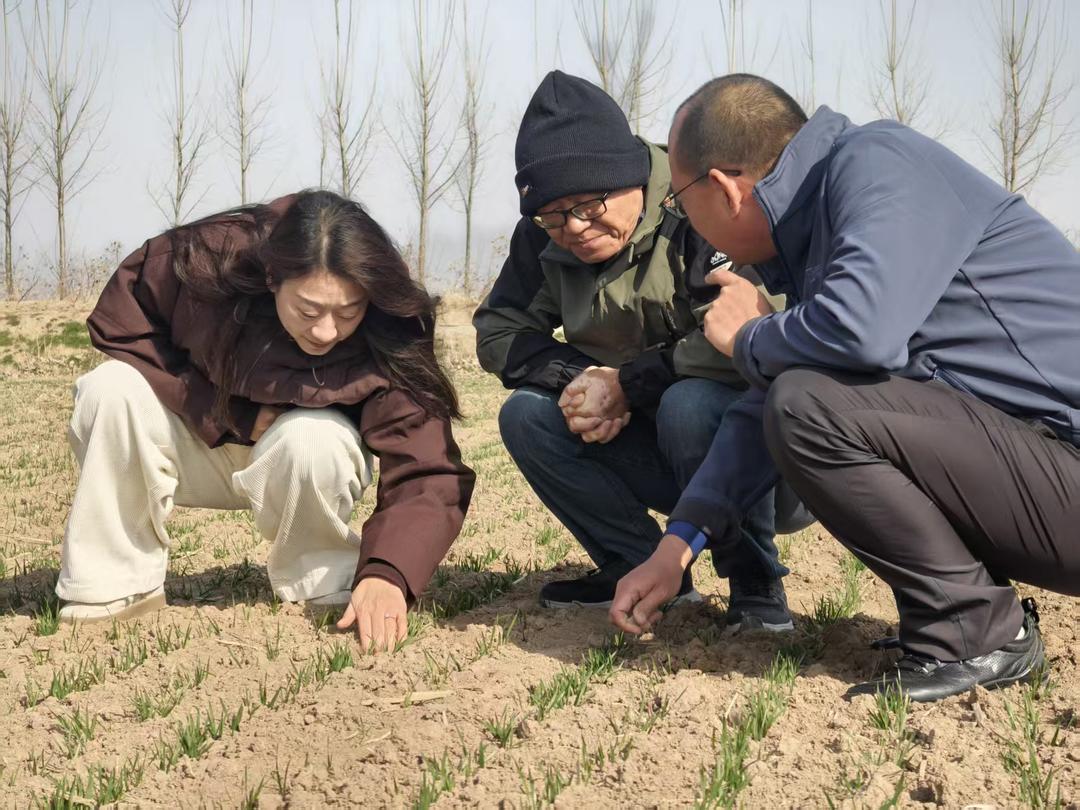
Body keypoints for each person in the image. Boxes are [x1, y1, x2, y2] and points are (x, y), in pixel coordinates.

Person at [610, 73, 1080, 702]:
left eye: (679, 199)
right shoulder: (821, 224)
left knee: (805, 406)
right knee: (799, 398)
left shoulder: (879, 162)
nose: (681, 216)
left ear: (722, 188)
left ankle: (976, 631)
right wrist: (678, 545)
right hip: (1043, 472)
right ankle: (972, 620)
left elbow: (859, 334)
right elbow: (769, 402)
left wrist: (749, 336)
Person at [56, 190, 475, 652]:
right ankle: (113, 585)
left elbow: (425, 468)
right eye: (308, 310)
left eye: (348, 312)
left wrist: (389, 572)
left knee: (313, 435)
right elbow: (123, 326)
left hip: (299, 464)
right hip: (195, 447)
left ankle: (321, 581)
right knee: (109, 387)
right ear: (273, 278)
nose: (326, 331)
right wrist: (224, 413)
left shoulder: (389, 323)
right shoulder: (203, 262)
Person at [475, 70, 811, 632]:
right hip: (652, 444)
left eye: (589, 205)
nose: (573, 227)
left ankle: (754, 583)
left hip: (762, 464)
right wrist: (587, 379)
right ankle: (639, 568)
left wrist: (630, 384)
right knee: (526, 415)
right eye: (552, 216)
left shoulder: (697, 204)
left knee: (689, 402)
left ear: (632, 177)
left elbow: (751, 330)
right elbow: (498, 330)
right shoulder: (543, 234)